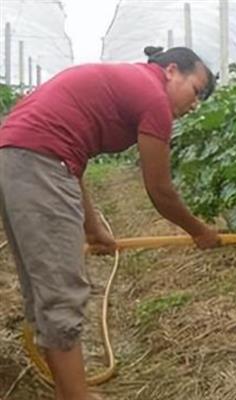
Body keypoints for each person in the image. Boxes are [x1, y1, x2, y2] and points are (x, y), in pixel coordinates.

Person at [0, 46, 221, 400]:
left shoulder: (129, 82)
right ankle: (75, 396)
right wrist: (200, 231)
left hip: (16, 156)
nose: (194, 105)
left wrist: (93, 228)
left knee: (44, 292)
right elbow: (159, 189)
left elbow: (72, 164)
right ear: (171, 71)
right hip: (39, 161)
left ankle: (67, 390)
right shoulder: (153, 98)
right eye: (196, 91)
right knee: (60, 294)